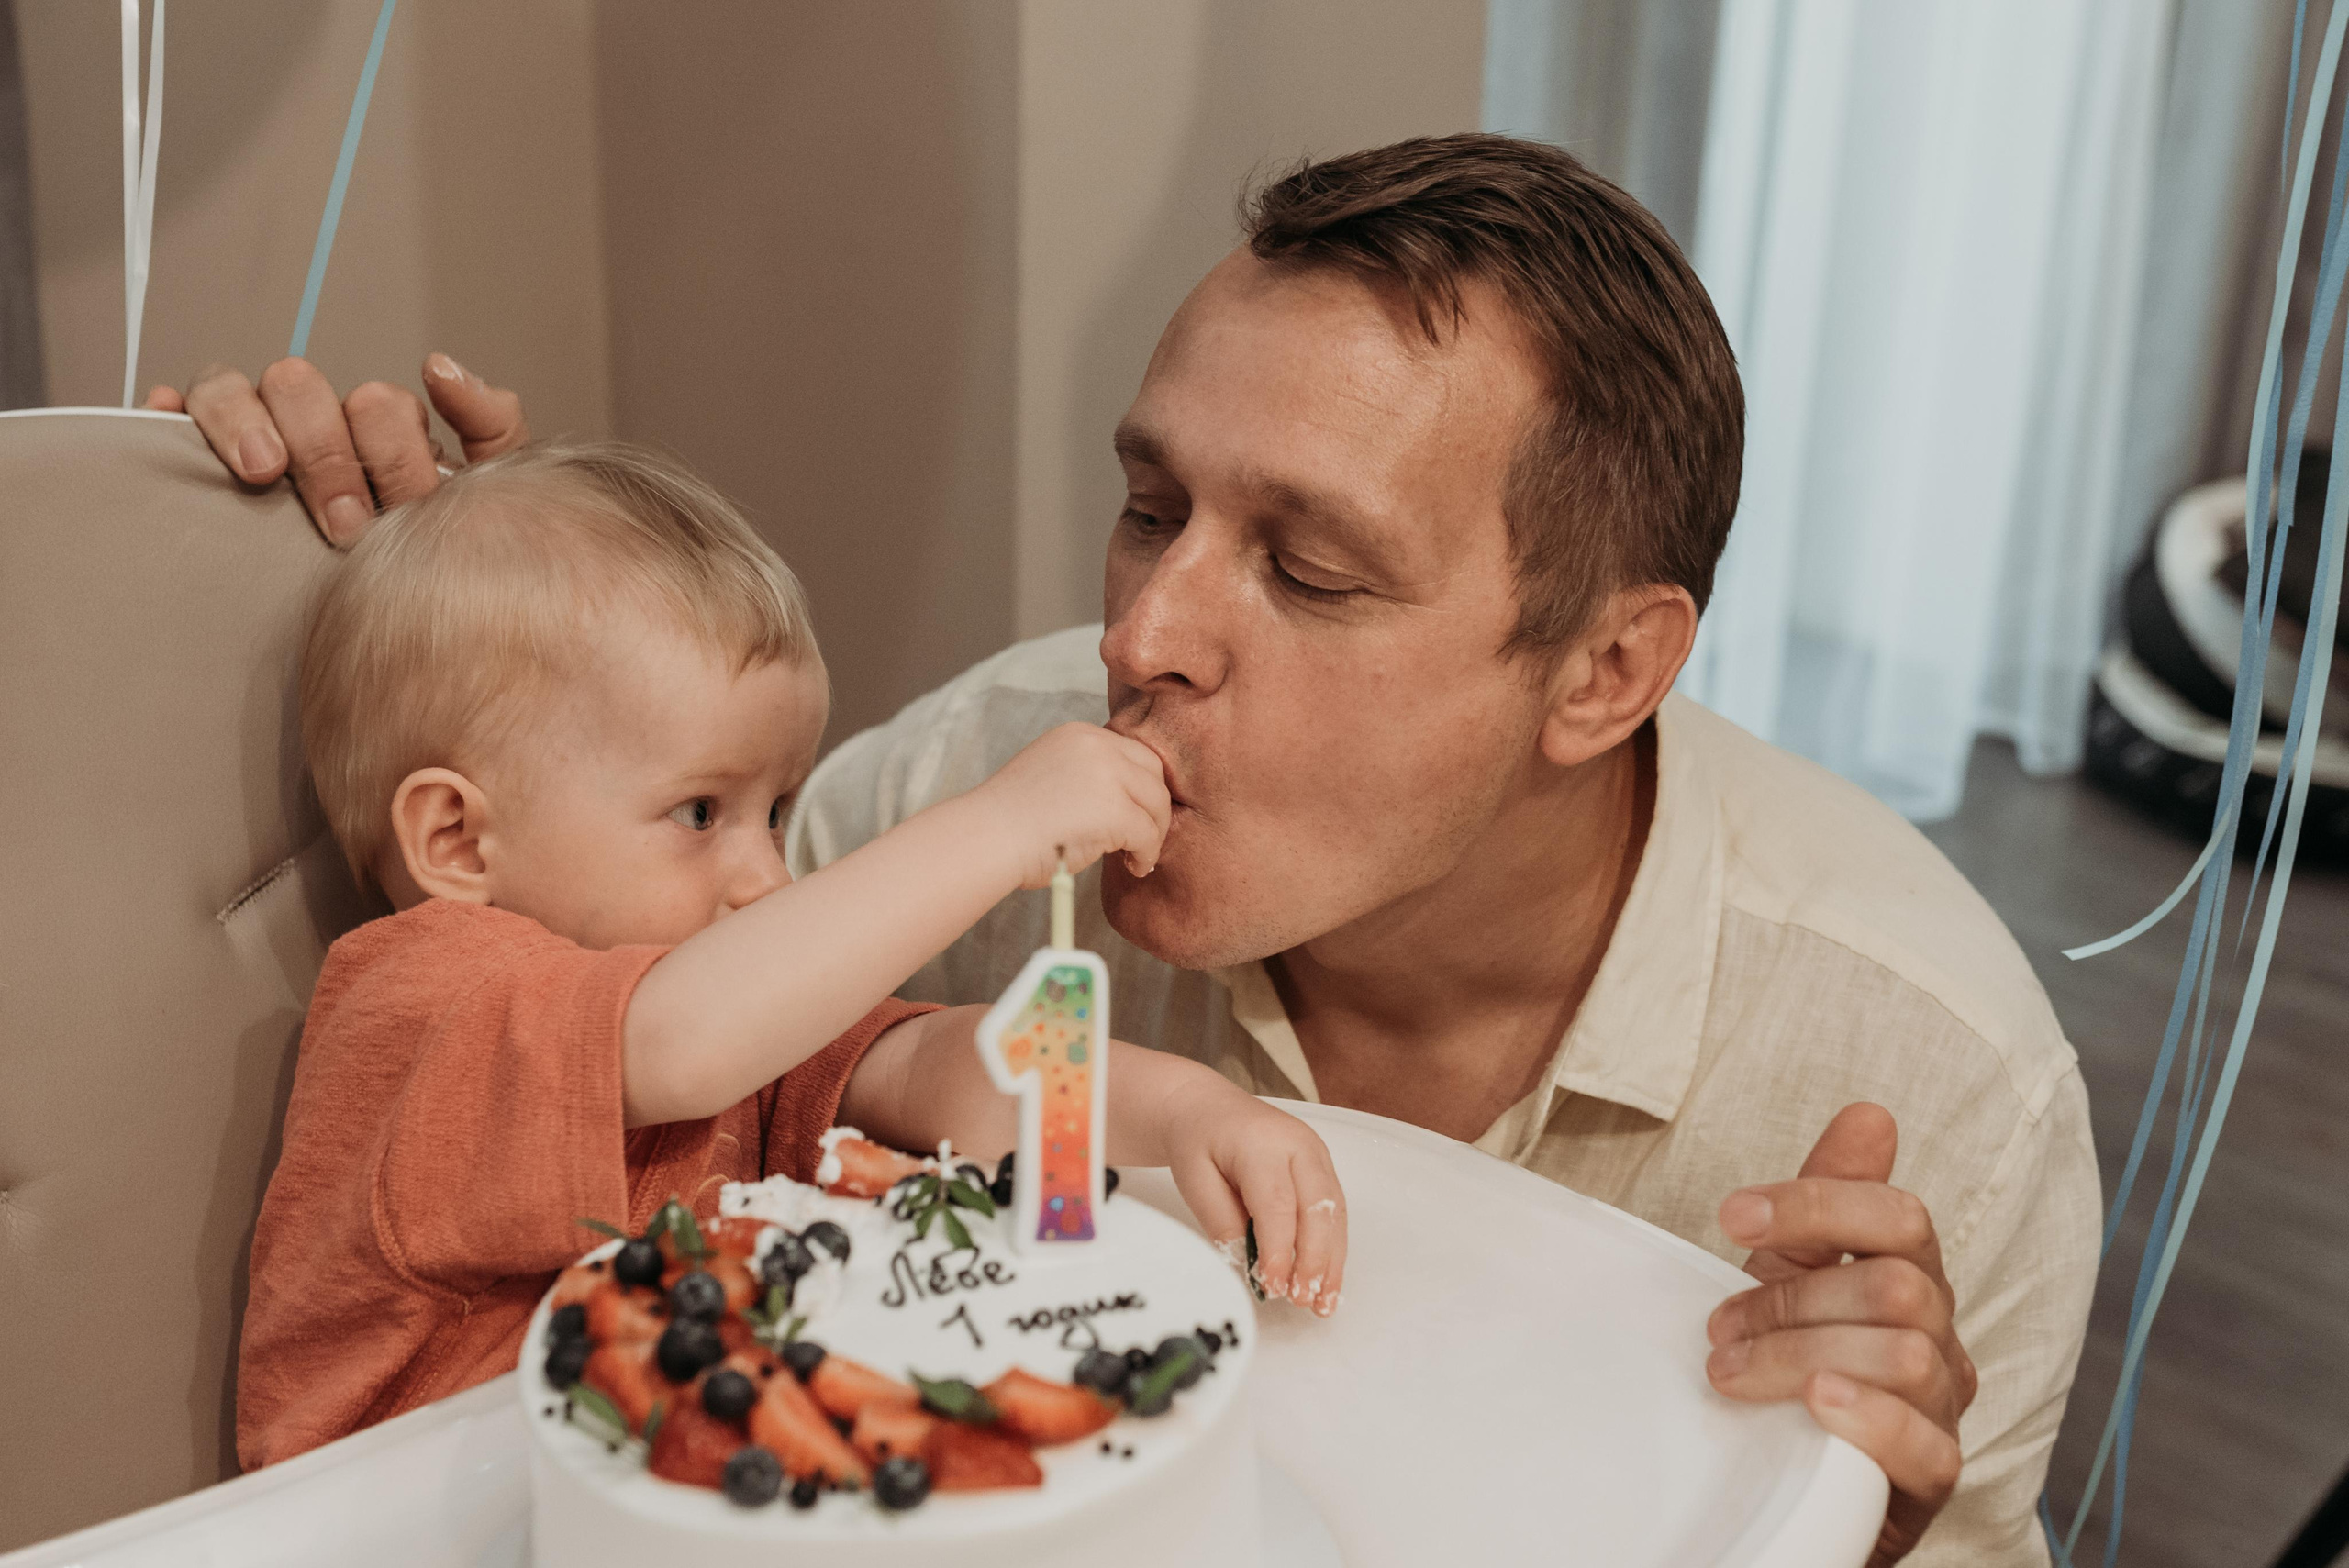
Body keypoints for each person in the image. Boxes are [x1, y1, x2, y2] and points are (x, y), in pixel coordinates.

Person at [160, 135, 2098, 1566]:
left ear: (1603, 668)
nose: (1143, 632)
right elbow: (612, 991)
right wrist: (376, 584)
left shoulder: (1935, 1077)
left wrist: (1865, 1505)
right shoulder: (971, 783)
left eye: (1308, 567)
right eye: (1145, 503)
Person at [238, 440, 1344, 1470]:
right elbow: (678, 1042)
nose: (763, 872)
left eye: (777, 811)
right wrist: (999, 824)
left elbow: (939, 1068)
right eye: (700, 810)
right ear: (457, 839)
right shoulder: (423, 1000)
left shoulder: (727, 992)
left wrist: (1185, 1110)